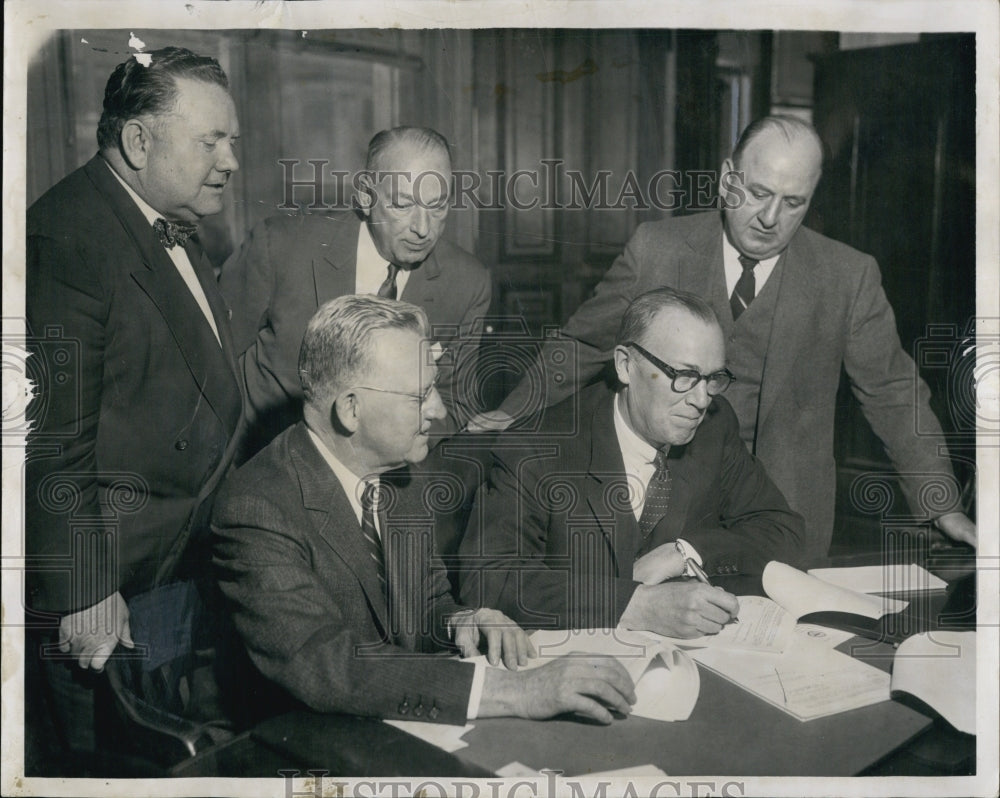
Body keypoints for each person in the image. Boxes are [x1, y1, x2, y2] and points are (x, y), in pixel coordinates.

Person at [468, 115, 975, 560]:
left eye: (793, 202)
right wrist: (513, 411)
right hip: (670, 511)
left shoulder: (848, 276)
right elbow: (582, 345)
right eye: (757, 193)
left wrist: (941, 504)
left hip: (785, 519)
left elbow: (891, 391)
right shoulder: (657, 250)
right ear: (727, 179)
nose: (771, 218)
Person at [212, 295, 636, 726]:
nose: (440, 410)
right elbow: (328, 666)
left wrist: (461, 620)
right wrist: (518, 691)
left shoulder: (400, 475)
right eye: (420, 396)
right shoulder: (256, 508)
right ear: (351, 409)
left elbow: (425, 603)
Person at [25, 47, 243, 765]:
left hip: (164, 575)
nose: (230, 160)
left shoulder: (170, 221)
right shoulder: (67, 236)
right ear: (138, 140)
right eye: (211, 140)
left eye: (232, 140)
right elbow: (49, 439)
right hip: (100, 596)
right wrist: (87, 589)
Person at [459, 288, 806, 636]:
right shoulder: (536, 447)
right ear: (626, 365)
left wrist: (685, 551)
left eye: (713, 378)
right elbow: (488, 578)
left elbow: (782, 529)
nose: (701, 400)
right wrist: (636, 604)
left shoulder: (715, 426)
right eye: (683, 376)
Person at [220, 125, 492, 456]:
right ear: (365, 194)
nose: (423, 229)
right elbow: (211, 366)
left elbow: (455, 406)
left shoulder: (467, 282)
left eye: (438, 206)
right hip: (265, 464)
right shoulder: (279, 247)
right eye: (403, 204)